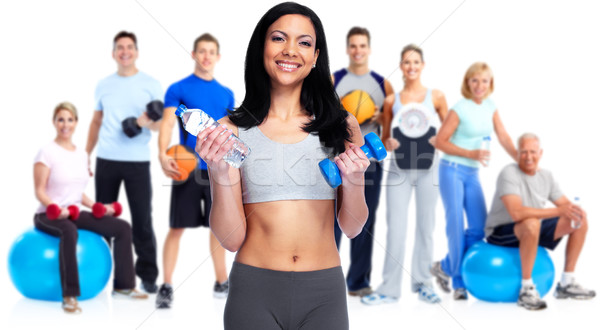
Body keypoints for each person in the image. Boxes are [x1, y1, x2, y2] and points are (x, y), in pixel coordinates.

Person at [195, 3, 369, 329]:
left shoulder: (342, 126)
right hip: (254, 291)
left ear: (316, 56)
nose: (291, 50)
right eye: (278, 38)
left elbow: (352, 226)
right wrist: (219, 173)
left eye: (304, 42)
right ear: (262, 45)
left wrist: (356, 179)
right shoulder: (230, 131)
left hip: (324, 293)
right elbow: (231, 240)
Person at [34, 102, 148, 314]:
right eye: (61, 119)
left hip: (74, 212)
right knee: (68, 230)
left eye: (69, 119)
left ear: (76, 123)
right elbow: (40, 191)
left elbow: (77, 192)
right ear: (54, 122)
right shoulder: (46, 152)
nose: (65, 124)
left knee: (122, 227)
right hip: (47, 215)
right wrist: (55, 207)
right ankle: (69, 295)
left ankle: (123, 286)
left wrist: (99, 207)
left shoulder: (81, 155)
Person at [362, 44, 447, 305]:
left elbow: (450, 131)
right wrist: (389, 143)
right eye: (407, 63)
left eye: (416, 62)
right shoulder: (391, 101)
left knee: (426, 227)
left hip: (428, 168)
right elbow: (386, 138)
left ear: (423, 65)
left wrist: (438, 139)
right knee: (395, 229)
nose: (411, 67)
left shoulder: (436, 97)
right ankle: (389, 289)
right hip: (399, 168)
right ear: (401, 66)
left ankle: (424, 284)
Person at [156, 33, 235, 308]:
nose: (206, 56)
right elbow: (167, 124)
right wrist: (162, 154)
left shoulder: (226, 93)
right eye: (201, 51)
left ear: (218, 57)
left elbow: (230, 134)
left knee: (219, 229)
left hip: (216, 170)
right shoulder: (178, 89)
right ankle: (165, 286)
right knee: (177, 228)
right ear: (193, 54)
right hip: (187, 168)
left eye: (211, 51)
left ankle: (222, 281)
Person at [430, 62, 517, 300]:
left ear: (491, 84)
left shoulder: (491, 106)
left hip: (472, 174)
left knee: (480, 228)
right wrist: (471, 154)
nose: (479, 85)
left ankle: (445, 266)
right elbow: (440, 141)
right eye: (475, 80)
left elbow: (504, 136)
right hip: (452, 170)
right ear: (468, 82)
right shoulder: (460, 108)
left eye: (484, 81)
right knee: (456, 225)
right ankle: (458, 282)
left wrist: (521, 158)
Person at [86, 31, 162, 293]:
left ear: (136, 52)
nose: (125, 51)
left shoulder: (151, 84)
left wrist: (142, 123)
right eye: (120, 47)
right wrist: (85, 153)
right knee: (102, 219)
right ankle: (99, 272)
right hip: (106, 159)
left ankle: (148, 276)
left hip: (137, 162)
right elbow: (96, 121)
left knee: (142, 219)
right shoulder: (103, 85)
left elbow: (159, 125)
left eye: (130, 47)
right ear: (113, 53)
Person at [485, 133, 595, 310]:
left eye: (533, 152)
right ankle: (527, 289)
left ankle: (566, 283)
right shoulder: (509, 173)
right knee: (531, 223)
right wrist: (558, 211)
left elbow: (565, 205)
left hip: (532, 226)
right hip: (501, 231)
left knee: (580, 220)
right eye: (524, 152)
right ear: (518, 153)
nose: (529, 157)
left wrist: (575, 211)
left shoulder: (546, 177)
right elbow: (516, 213)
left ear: (540, 153)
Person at [331, 26, 394, 297]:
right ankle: (328, 278)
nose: (358, 50)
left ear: (369, 49)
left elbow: (390, 126)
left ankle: (358, 281)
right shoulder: (335, 80)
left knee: (364, 218)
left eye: (362, 46)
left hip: (370, 159)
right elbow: (319, 115)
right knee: (332, 216)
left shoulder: (383, 83)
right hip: (337, 155)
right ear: (347, 49)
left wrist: (381, 120)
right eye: (353, 46)